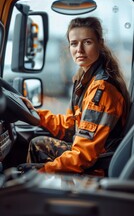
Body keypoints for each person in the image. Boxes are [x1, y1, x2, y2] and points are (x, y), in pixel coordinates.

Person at [20, 16, 130, 176]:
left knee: (23, 172)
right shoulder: (87, 80)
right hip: (92, 156)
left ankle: (41, 194)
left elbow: (83, 156)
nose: (79, 50)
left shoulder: (102, 89)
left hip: (97, 168)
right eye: (74, 43)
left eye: (87, 42)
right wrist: (36, 115)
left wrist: (41, 173)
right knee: (37, 143)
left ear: (101, 43)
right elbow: (72, 126)